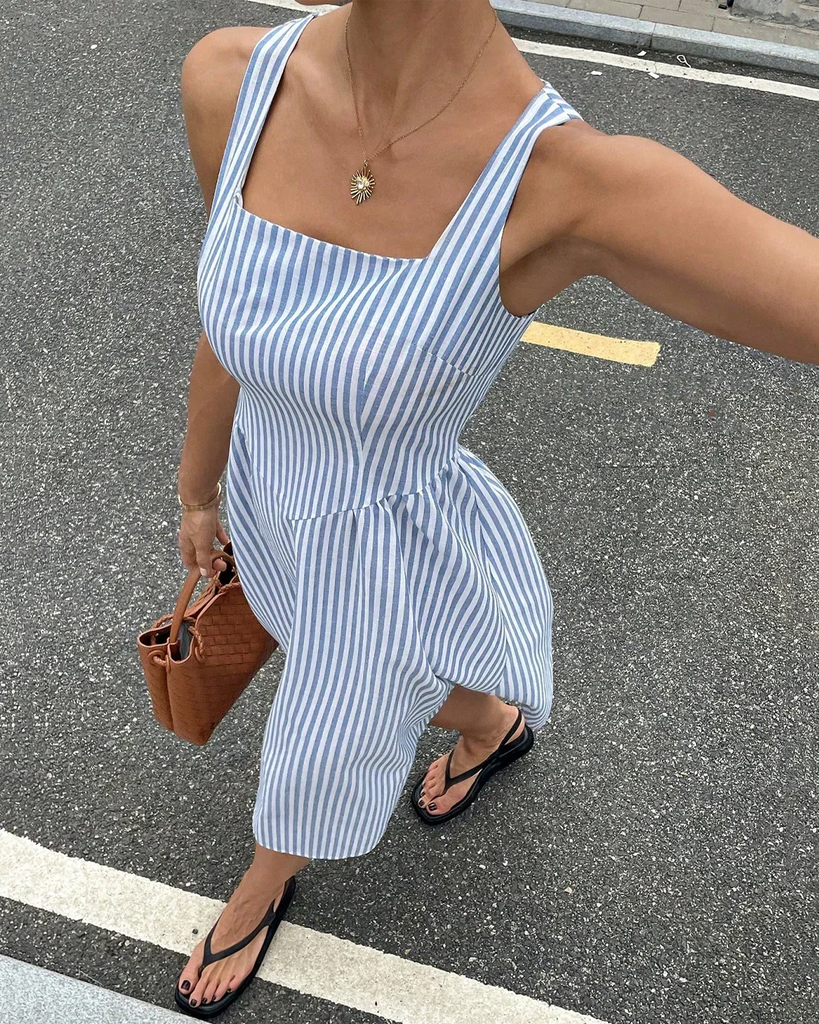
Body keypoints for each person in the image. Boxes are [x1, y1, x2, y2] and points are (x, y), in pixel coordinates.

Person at [172, 0, 818, 1016]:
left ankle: (264, 881)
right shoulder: (230, 77)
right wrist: (199, 486)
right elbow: (233, 314)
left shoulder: (568, 182)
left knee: (323, 735)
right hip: (268, 491)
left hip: (381, 536)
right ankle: (493, 724)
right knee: (368, 675)